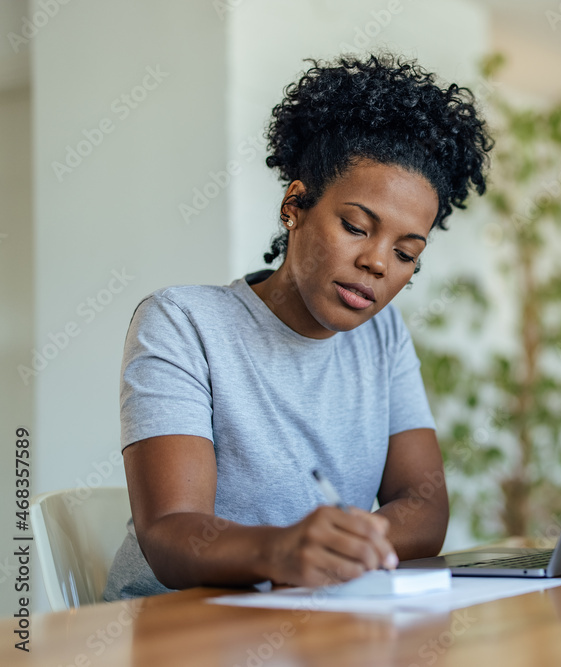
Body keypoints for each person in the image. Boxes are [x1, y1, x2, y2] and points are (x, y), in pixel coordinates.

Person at [103, 54, 492, 600]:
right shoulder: (183, 322)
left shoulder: (383, 338)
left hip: (314, 622)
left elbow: (425, 506)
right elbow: (169, 532)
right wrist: (283, 549)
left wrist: (348, 545)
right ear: (295, 205)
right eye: (356, 227)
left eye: (407, 253)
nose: (379, 263)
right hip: (176, 633)